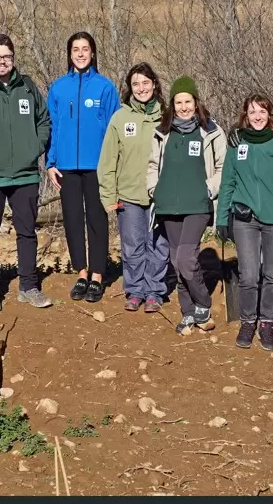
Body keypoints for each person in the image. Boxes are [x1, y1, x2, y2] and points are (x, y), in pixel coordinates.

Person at [0, 34, 52, 310]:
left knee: (27, 232)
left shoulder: (27, 87)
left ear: (13, 58)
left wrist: (35, 147)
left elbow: (44, 121)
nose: (2, 62)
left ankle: (29, 286)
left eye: (7, 56)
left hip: (26, 175)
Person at [217, 95, 273, 351]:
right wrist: (221, 219)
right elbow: (227, 183)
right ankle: (247, 321)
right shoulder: (237, 143)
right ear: (245, 115)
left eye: (262, 111)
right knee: (249, 274)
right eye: (252, 112)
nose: (257, 116)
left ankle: (266, 322)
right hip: (245, 220)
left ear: (270, 114)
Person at [147, 76, 225, 335]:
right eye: (178, 102)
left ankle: (203, 302)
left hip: (197, 205)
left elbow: (224, 166)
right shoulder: (163, 132)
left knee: (186, 257)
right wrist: (153, 190)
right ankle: (188, 312)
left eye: (187, 101)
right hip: (168, 204)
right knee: (175, 259)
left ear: (196, 102)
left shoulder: (210, 130)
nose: (183, 107)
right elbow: (152, 165)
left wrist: (208, 188)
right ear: (172, 104)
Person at [46, 32, 120, 303]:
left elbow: (115, 131)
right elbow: (52, 128)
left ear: (93, 53)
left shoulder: (105, 87)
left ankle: (98, 275)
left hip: (97, 167)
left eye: (85, 49)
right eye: (75, 49)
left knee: (97, 220)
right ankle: (82, 272)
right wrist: (51, 162)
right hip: (66, 166)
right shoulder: (58, 88)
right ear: (69, 54)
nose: (80, 53)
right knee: (73, 220)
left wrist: (112, 166)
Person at [97, 63, 169, 313]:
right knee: (132, 246)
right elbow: (108, 160)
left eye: (145, 83)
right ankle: (135, 290)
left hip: (160, 196)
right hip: (128, 194)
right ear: (130, 88)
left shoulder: (167, 117)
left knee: (158, 246)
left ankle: (154, 291)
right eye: (136, 84)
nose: (141, 88)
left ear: (154, 85)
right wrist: (109, 194)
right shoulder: (120, 118)